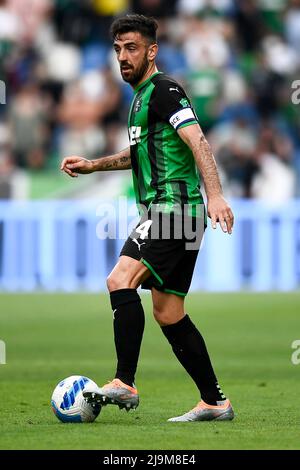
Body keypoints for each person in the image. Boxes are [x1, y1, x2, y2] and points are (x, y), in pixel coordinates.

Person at [61, 14, 235, 422]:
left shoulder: (164, 90)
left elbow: (197, 140)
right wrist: (93, 165)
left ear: (152, 51)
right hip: (179, 215)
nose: (123, 56)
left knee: (119, 279)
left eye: (132, 48)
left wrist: (217, 196)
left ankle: (124, 381)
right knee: (169, 312)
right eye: (118, 49)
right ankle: (215, 401)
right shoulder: (140, 98)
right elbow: (137, 154)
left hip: (174, 210)